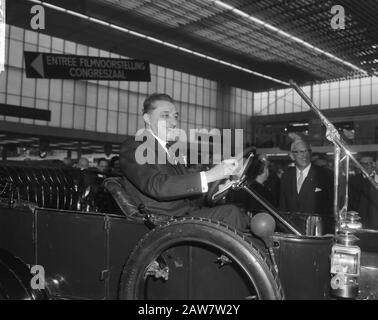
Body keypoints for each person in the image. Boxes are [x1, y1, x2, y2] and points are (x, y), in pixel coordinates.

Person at [119, 93, 249, 230]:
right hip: (161, 221)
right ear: (148, 118)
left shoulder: (171, 150)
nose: (174, 123)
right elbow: (157, 186)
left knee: (241, 215)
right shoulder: (134, 147)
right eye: (165, 115)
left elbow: (186, 193)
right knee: (231, 213)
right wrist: (210, 175)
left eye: (175, 116)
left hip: (183, 215)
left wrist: (218, 188)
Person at [279, 139, 333, 232]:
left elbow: (330, 207)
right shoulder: (286, 176)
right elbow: (283, 205)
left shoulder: (324, 174)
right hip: (291, 231)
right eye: (300, 152)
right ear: (292, 156)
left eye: (307, 151)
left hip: (316, 232)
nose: (304, 155)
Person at [349, 154, 378, 229]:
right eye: (364, 164)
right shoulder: (353, 180)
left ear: (374, 164)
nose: (368, 166)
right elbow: (351, 200)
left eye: (370, 163)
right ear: (359, 165)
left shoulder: (377, 178)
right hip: (360, 220)